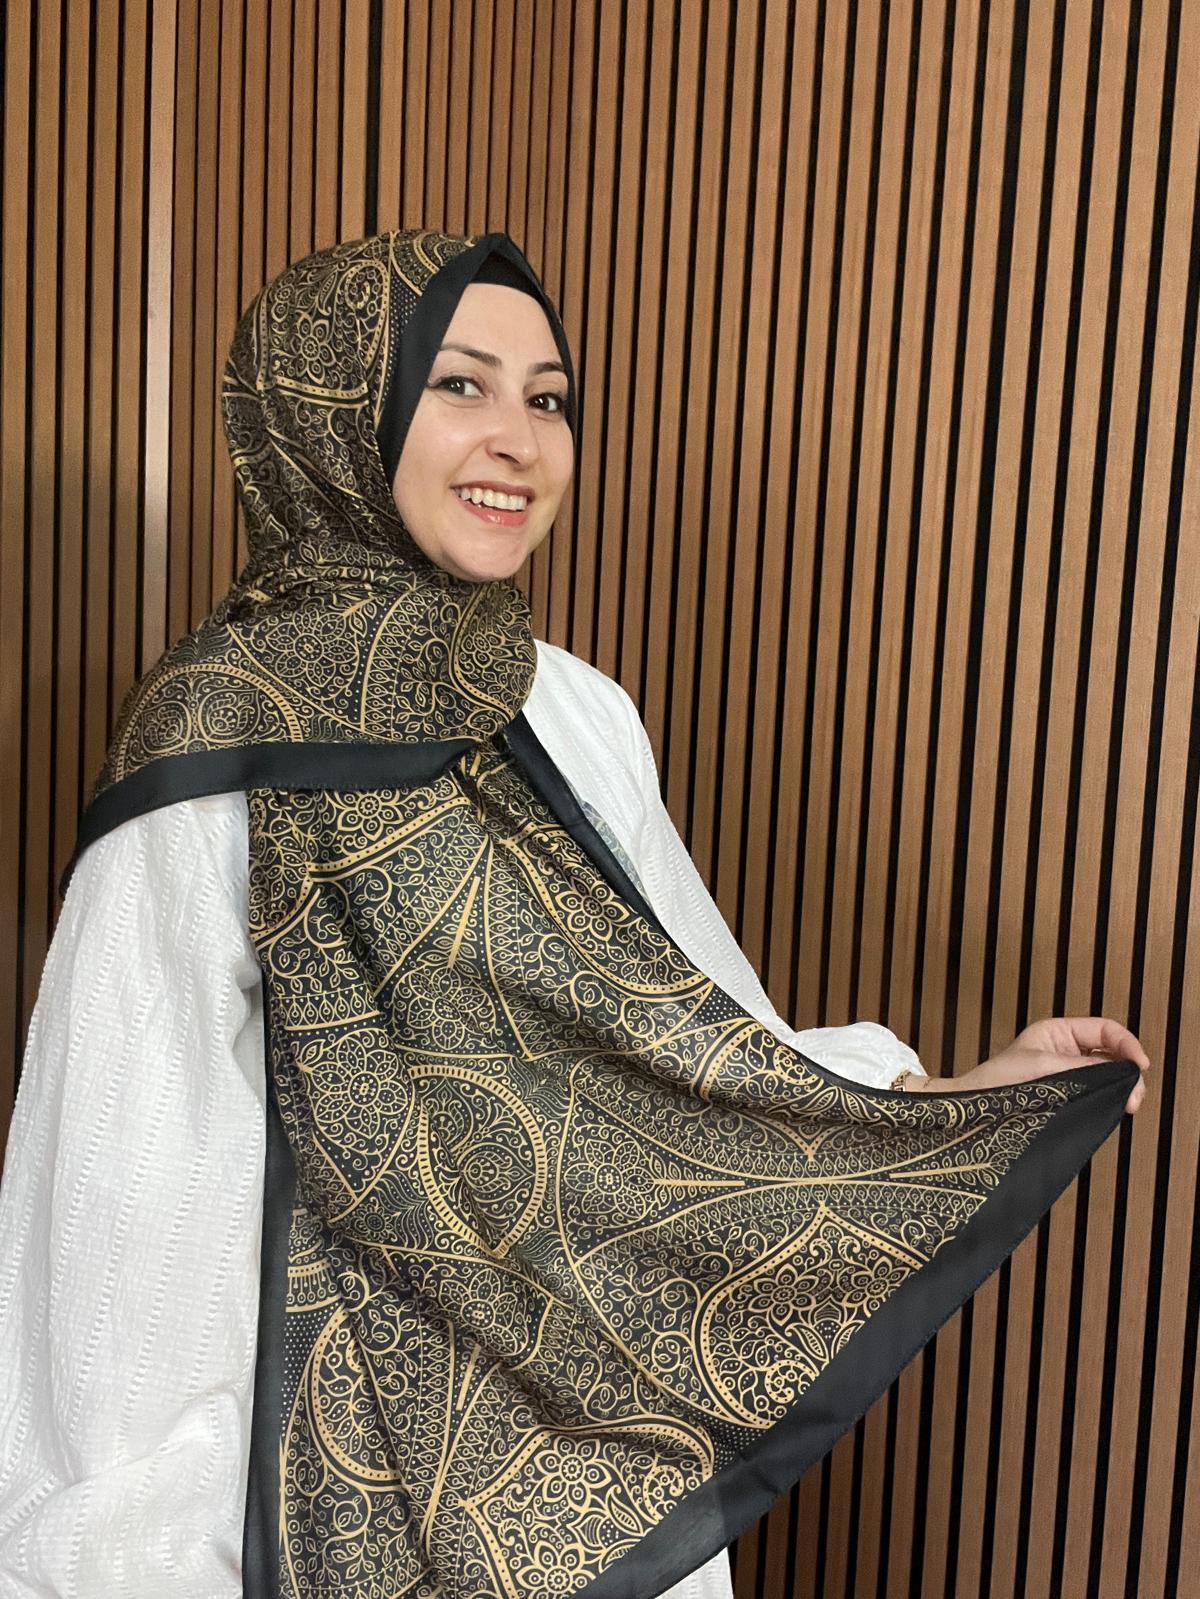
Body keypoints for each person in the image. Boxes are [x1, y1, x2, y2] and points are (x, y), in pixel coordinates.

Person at [0, 229, 1148, 1599]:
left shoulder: (576, 708)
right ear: (334, 406)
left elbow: (699, 1051)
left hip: (588, 1461)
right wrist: (130, 1551)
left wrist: (940, 1098)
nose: (520, 441)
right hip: (317, 1483)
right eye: (459, 385)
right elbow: (121, 1190)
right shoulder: (214, 742)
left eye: (547, 399)